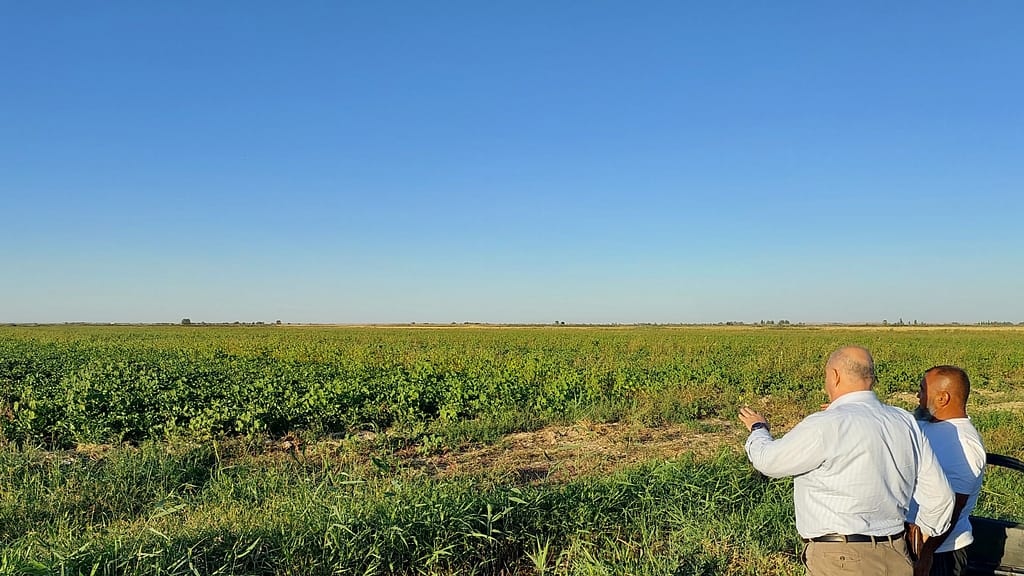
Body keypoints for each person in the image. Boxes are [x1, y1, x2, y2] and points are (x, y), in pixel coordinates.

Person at [738, 346, 955, 576]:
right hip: (896, 555)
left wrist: (758, 429)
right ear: (870, 377)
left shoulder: (826, 424)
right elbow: (942, 497)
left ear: (835, 376)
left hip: (839, 559)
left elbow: (768, 461)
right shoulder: (905, 422)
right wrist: (924, 538)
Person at [906, 366, 986, 576]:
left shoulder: (964, 443)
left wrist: (926, 554)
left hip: (942, 553)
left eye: (922, 390)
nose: (918, 395)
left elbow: (954, 506)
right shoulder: (926, 424)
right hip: (916, 545)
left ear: (942, 398)